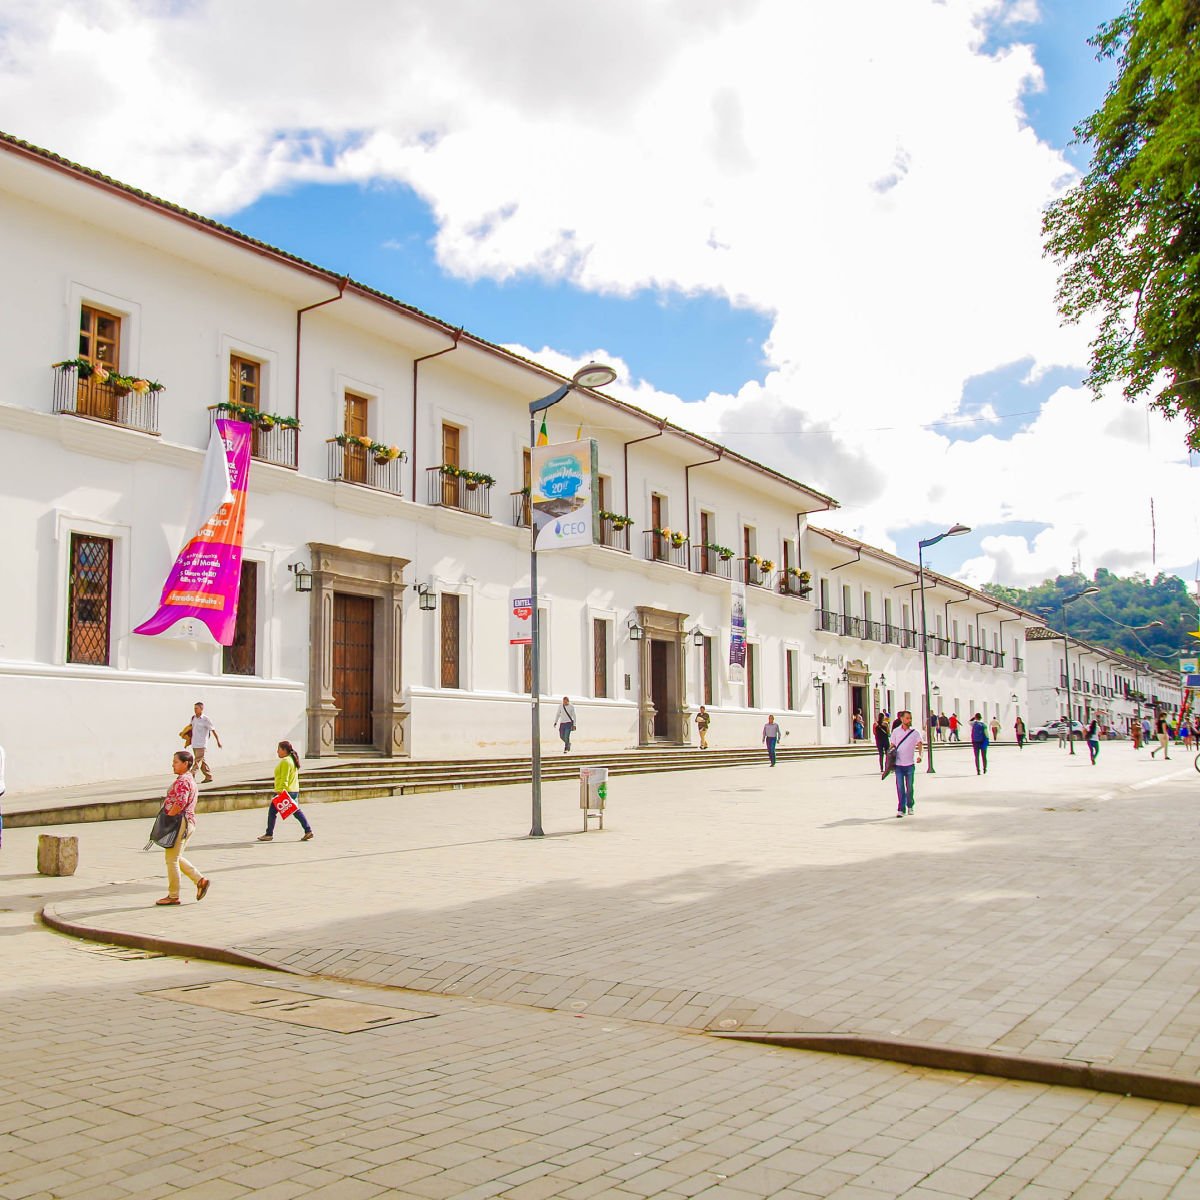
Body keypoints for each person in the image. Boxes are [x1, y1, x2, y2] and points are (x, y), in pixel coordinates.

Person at [157, 750, 209, 906]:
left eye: (176, 762)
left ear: (186, 764)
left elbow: (180, 803)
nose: (173, 764)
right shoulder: (189, 779)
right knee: (176, 857)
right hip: (188, 822)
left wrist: (169, 817)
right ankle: (200, 880)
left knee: (171, 859)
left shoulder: (182, 781)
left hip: (180, 822)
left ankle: (173, 895)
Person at [257, 740, 314, 842]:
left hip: (284, 791)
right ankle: (308, 830)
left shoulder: (286, 761)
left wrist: (280, 792)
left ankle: (269, 834)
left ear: (284, 750)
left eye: (279, 749)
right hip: (293, 790)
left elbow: (285, 778)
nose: (277, 751)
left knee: (272, 812)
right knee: (296, 811)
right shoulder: (292, 760)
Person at [890, 710, 923, 816]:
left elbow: (920, 744)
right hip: (898, 765)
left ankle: (910, 806)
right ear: (902, 719)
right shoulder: (896, 731)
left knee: (909, 787)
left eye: (910, 718)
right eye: (907, 718)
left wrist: (920, 756)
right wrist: (890, 760)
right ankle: (901, 809)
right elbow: (892, 746)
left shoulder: (915, 732)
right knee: (900, 787)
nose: (909, 720)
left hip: (910, 765)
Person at [182, 701, 222, 783]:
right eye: (194, 708)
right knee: (201, 761)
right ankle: (209, 776)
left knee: (197, 761)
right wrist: (187, 739)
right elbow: (190, 729)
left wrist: (218, 741)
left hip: (202, 744)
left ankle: (191, 776)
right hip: (194, 743)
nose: (195, 710)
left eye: (196, 708)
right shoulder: (193, 718)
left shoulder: (206, 719)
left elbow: (213, 730)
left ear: (201, 709)